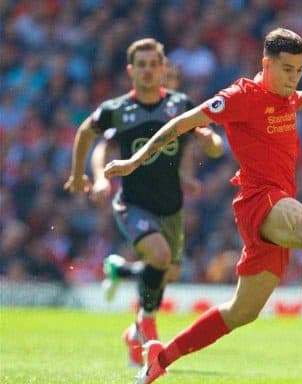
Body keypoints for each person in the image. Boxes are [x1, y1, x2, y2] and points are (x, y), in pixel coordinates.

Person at [103, 28, 302, 384]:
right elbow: (182, 123)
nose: (293, 78)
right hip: (258, 198)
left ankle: (161, 356)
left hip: (274, 203)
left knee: (241, 312)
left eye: (299, 70)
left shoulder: (288, 95)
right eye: (287, 69)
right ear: (266, 64)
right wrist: (133, 161)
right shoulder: (240, 96)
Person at [64, 38, 223, 367]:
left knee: (167, 271)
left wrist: (210, 142)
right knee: (161, 257)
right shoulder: (117, 110)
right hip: (133, 203)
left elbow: (210, 145)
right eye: (142, 65)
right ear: (131, 70)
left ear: (163, 69)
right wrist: (86, 176)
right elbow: (86, 134)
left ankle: (123, 281)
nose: (148, 71)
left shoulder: (180, 104)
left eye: (154, 64)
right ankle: (147, 325)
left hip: (172, 208)